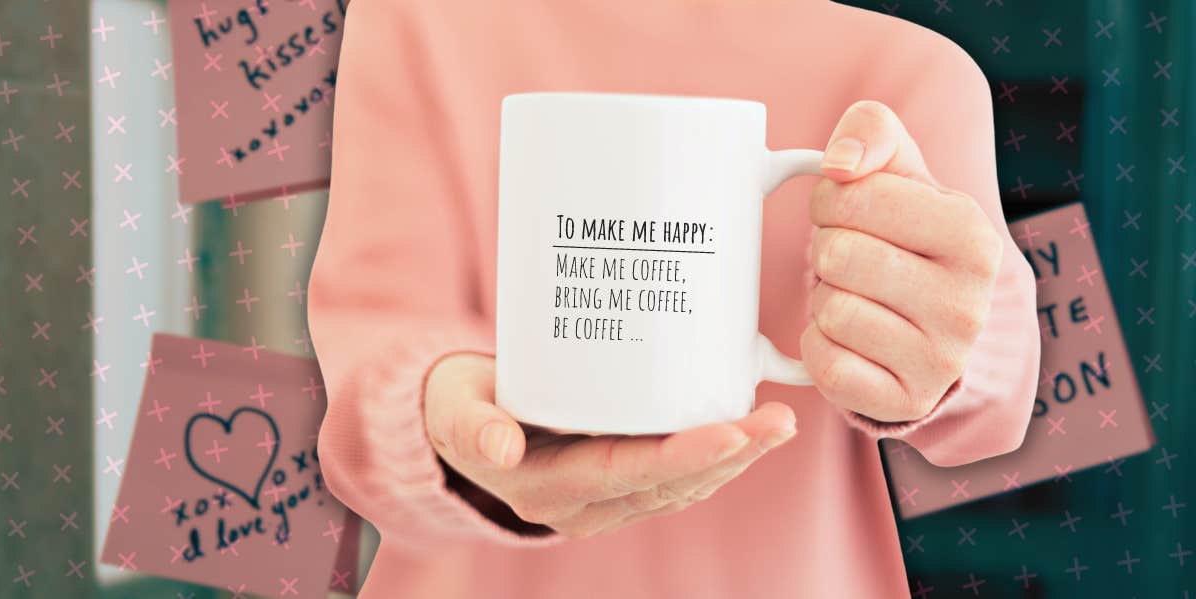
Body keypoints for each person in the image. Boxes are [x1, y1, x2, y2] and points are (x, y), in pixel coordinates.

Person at [307, 0, 1040, 597]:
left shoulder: (917, 72)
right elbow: (364, 397)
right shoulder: (415, 22)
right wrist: (436, 423)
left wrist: (941, 341)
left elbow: (998, 397)